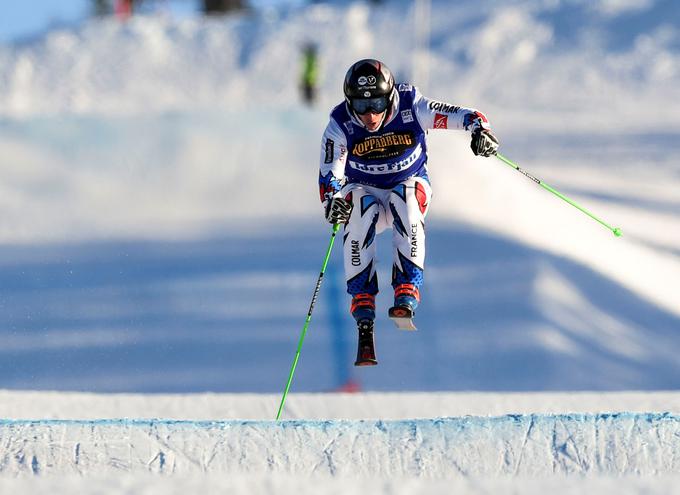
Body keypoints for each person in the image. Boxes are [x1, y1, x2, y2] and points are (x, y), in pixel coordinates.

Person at [318, 59, 499, 366]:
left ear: (389, 97)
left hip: (409, 185)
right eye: (361, 106)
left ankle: (406, 287)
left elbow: (465, 116)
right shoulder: (339, 123)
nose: (370, 115)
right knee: (357, 207)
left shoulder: (411, 106)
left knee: (406, 198)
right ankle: (362, 298)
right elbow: (329, 174)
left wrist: (480, 130)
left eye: (376, 103)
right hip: (366, 191)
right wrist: (333, 201)